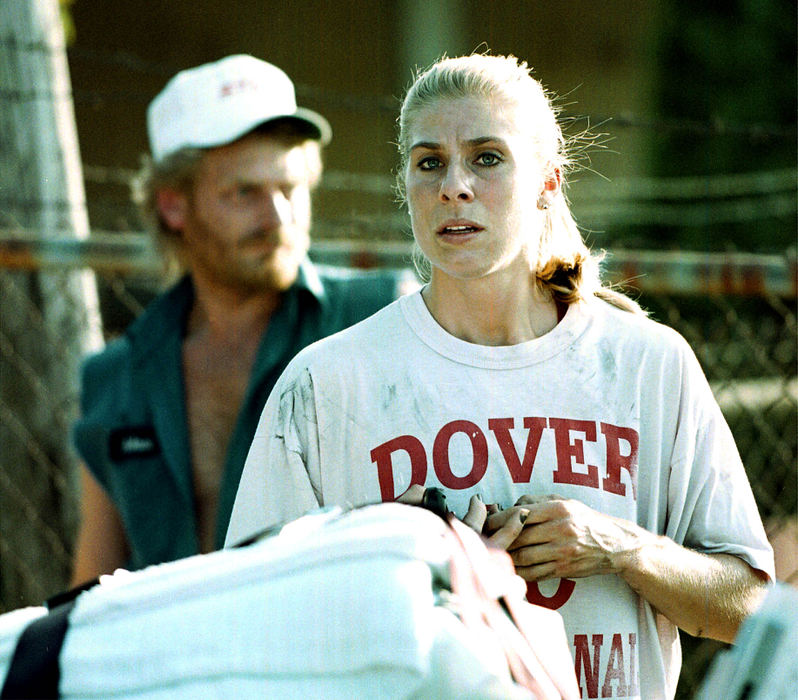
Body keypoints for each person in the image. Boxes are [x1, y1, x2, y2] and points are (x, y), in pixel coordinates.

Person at [225, 54, 775, 699]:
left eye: (487, 157)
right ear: (405, 184)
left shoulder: (647, 364)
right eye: (429, 161)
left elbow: (748, 610)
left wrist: (617, 546)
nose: (454, 185)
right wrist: (387, 553)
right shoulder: (327, 384)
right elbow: (251, 620)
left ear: (547, 179)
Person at [70, 54, 411, 583]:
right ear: (174, 207)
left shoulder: (381, 316)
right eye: (244, 192)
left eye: (290, 188)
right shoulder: (116, 379)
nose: (278, 218)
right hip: (177, 658)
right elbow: (92, 582)